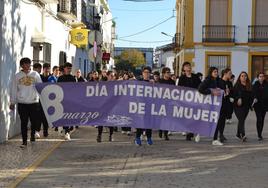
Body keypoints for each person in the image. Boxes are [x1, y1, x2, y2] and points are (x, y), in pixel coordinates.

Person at [9, 57, 42, 148]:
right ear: (21, 65)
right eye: (24, 64)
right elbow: (13, 89)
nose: (26, 65)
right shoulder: (17, 76)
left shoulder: (35, 75)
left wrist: (42, 99)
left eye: (28, 63)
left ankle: (32, 135)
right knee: (23, 122)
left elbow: (40, 87)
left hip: (34, 102)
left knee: (33, 121)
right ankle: (24, 141)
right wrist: (12, 102)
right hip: (22, 103)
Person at [198, 67, 223, 146]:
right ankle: (200, 133)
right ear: (211, 72)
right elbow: (200, 89)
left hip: (214, 105)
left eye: (217, 71)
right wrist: (211, 92)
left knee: (215, 121)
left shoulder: (216, 80)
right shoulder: (208, 79)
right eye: (214, 72)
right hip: (208, 104)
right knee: (210, 121)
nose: (216, 73)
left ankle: (214, 139)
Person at [178, 62, 201, 142]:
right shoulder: (182, 78)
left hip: (195, 100)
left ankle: (192, 132)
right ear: (184, 69)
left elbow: (200, 86)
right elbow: (179, 88)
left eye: (189, 66)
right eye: (186, 66)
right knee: (187, 117)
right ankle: (189, 133)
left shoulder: (195, 77)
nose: (188, 67)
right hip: (186, 100)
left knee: (194, 116)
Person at [57, 62, 77, 140]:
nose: (69, 70)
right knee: (64, 116)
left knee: (69, 116)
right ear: (64, 68)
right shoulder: (60, 78)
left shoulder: (73, 78)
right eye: (68, 68)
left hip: (70, 100)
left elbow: (76, 89)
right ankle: (66, 131)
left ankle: (67, 131)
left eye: (70, 68)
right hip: (62, 100)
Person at [135, 66, 153, 146]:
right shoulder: (139, 82)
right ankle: (137, 138)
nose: (146, 74)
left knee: (149, 122)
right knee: (140, 122)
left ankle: (149, 137)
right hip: (140, 105)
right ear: (142, 73)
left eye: (148, 72)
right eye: (145, 72)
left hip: (149, 105)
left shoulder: (152, 83)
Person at [233, 71, 253, 142]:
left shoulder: (249, 85)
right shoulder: (237, 85)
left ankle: (238, 134)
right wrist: (238, 98)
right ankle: (242, 134)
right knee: (241, 119)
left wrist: (251, 105)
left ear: (247, 77)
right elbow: (233, 94)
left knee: (242, 120)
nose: (244, 77)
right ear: (239, 77)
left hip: (246, 106)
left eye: (245, 76)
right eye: (242, 76)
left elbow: (251, 96)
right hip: (238, 106)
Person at [96, 71, 115, 142]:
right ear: (107, 76)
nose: (112, 77)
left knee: (111, 120)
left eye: (113, 76)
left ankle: (111, 135)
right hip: (103, 105)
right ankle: (99, 135)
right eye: (111, 75)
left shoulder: (116, 85)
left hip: (111, 105)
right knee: (101, 120)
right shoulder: (103, 84)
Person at [158, 67, 175, 141]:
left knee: (167, 118)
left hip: (169, 102)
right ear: (164, 73)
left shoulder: (172, 82)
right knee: (161, 117)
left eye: (169, 72)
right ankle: (160, 129)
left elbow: (174, 91)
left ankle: (166, 133)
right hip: (161, 101)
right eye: (167, 72)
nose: (169, 73)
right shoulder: (160, 81)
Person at [36, 63, 51, 138]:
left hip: (49, 100)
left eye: (48, 68)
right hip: (40, 99)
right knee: (38, 115)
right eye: (45, 68)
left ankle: (45, 131)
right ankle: (37, 130)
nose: (47, 69)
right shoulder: (39, 77)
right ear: (43, 69)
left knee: (46, 116)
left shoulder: (52, 78)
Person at [252, 72, 268, 141]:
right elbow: (253, 93)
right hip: (257, 105)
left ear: (264, 77)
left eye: (262, 76)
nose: (261, 78)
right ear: (258, 78)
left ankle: (260, 133)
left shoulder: (266, 84)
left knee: (262, 119)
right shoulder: (255, 85)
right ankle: (259, 135)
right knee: (259, 119)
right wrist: (255, 98)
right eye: (260, 76)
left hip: (265, 105)